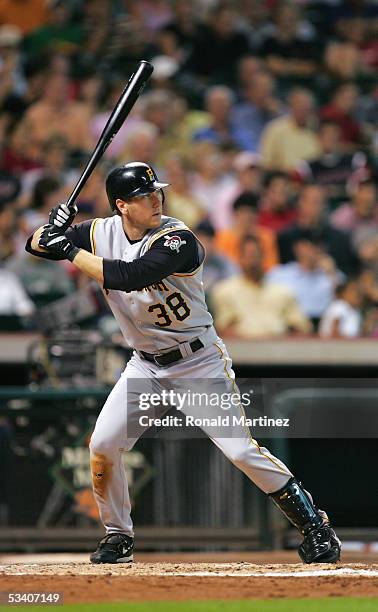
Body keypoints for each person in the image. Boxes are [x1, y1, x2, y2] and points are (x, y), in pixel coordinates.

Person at [26, 161, 341, 565]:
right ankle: (117, 535)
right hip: (145, 366)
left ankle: (315, 524)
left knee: (241, 452)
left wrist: (67, 247)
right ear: (122, 205)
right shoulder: (100, 231)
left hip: (198, 363)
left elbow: (129, 274)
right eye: (144, 195)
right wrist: (51, 226)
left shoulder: (179, 239)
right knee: (103, 446)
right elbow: (34, 246)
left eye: (157, 191)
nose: (156, 198)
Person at [212, 235, 311, 339]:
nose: (253, 261)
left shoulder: (284, 291)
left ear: (264, 257)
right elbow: (224, 331)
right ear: (240, 258)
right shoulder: (224, 291)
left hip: (280, 349)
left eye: (256, 254)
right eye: (248, 255)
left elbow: (300, 328)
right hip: (241, 351)